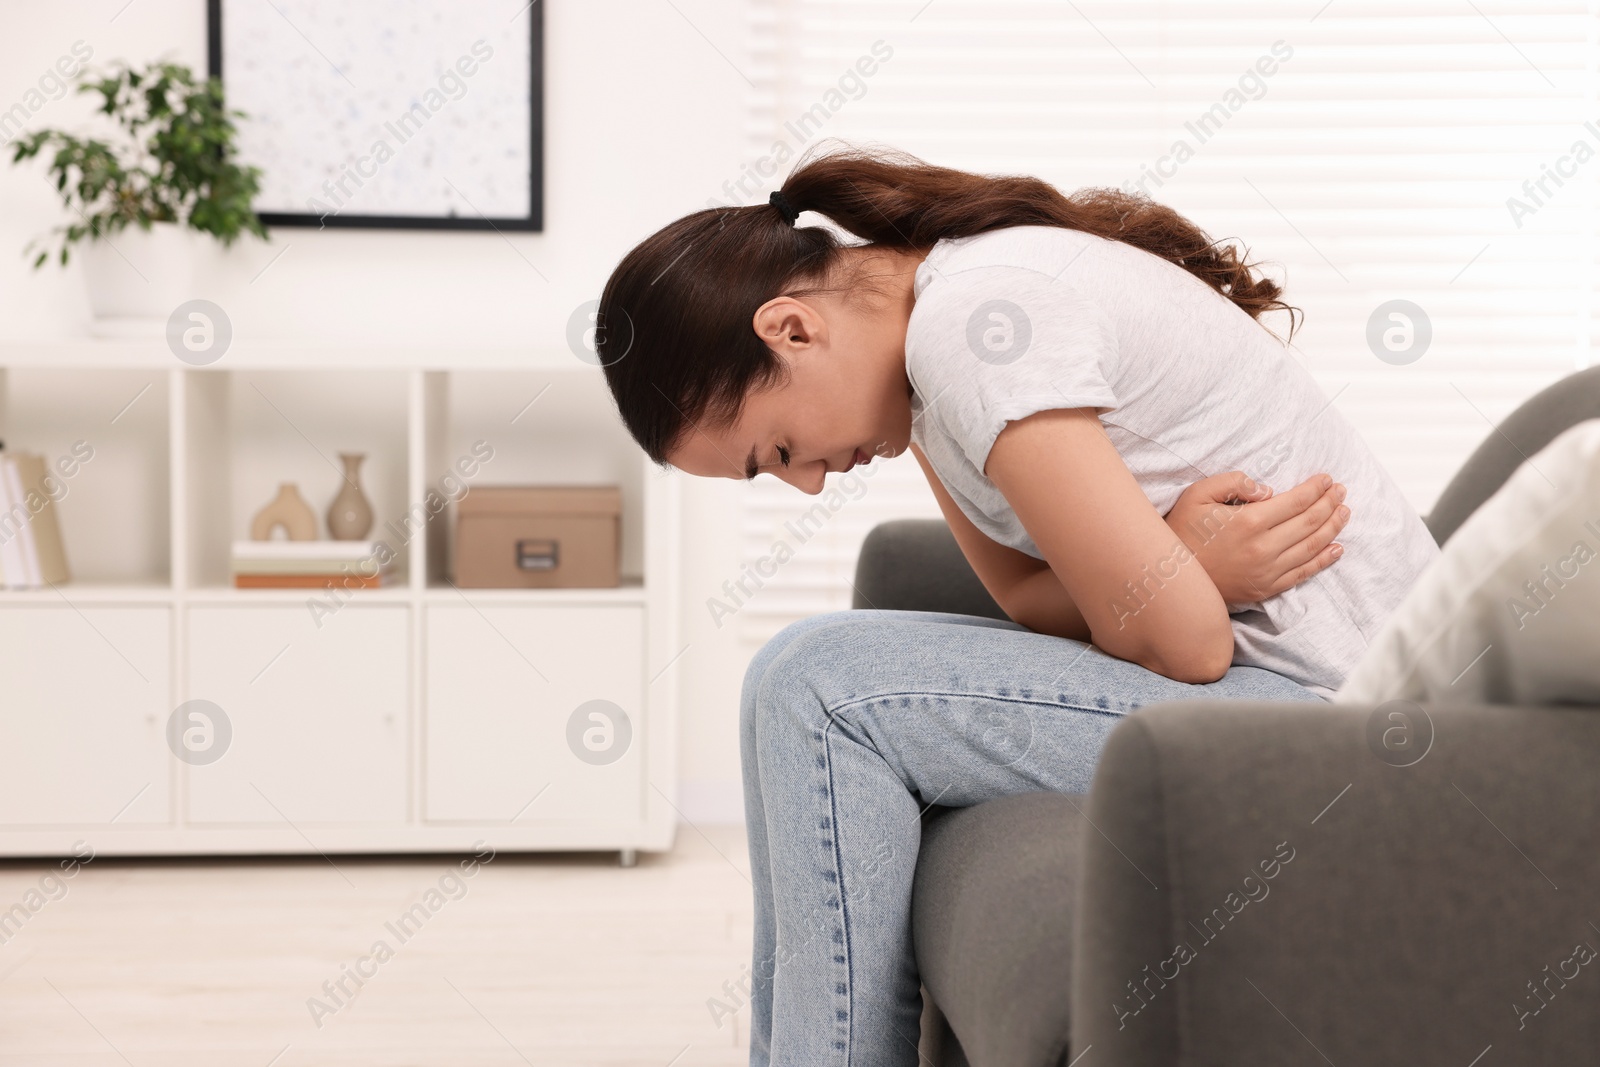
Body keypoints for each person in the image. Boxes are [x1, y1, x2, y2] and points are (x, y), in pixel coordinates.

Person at [593, 142, 1440, 1066]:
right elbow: (1029, 596)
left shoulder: (972, 326)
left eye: (778, 449)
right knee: (784, 685)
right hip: (1275, 688)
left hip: (1346, 712)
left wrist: (1180, 578)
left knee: (818, 688)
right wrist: (1183, 561)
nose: (805, 485)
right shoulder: (926, 370)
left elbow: (1191, 641)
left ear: (792, 329)